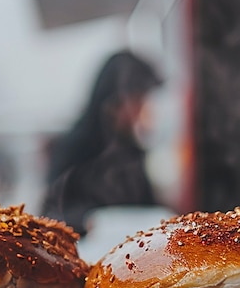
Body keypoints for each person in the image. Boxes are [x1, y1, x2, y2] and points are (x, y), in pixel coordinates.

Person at [41, 50, 163, 235]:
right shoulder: (73, 147)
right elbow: (49, 215)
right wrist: (86, 220)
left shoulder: (131, 150)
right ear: (114, 100)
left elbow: (147, 208)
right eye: (137, 99)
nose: (141, 109)